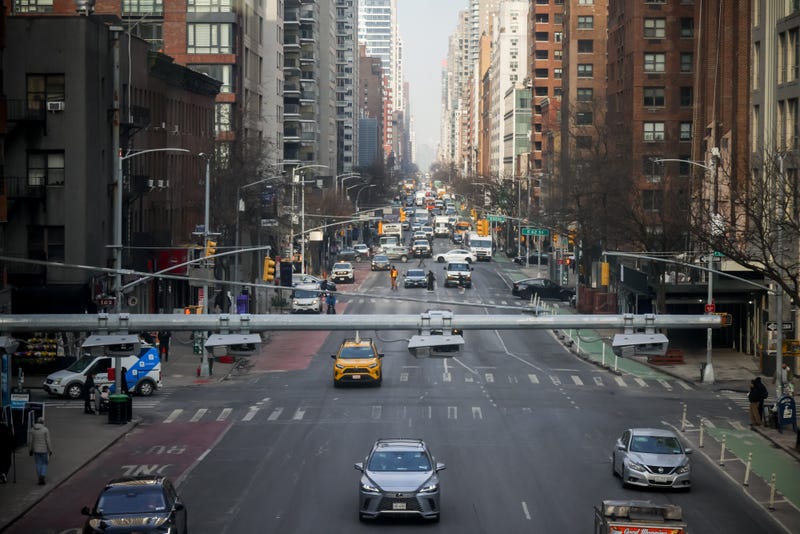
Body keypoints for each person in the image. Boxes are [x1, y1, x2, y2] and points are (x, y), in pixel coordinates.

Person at [28, 417, 52, 485]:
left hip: (36, 450)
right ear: (42, 422)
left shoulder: (32, 430)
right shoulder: (45, 430)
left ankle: (39, 478)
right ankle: (42, 475)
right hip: (44, 450)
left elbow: (30, 441)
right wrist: (50, 450)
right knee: (45, 463)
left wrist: (30, 450)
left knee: (38, 463)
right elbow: (48, 441)